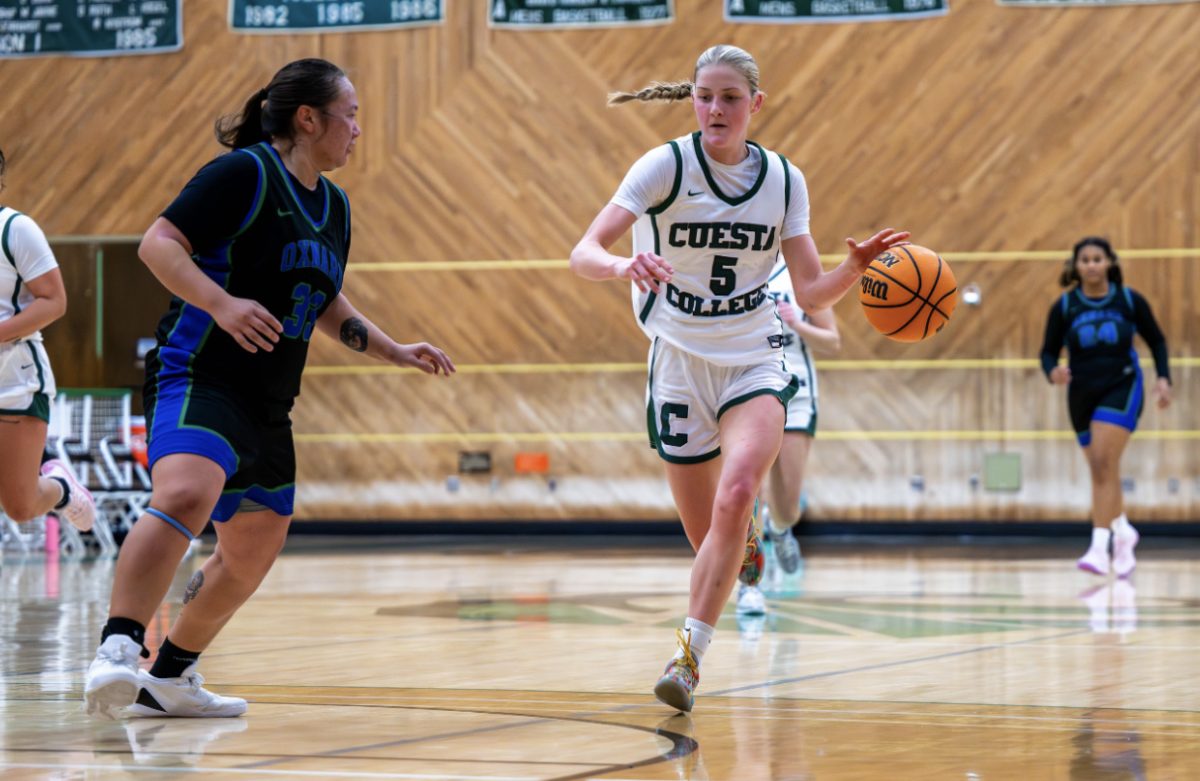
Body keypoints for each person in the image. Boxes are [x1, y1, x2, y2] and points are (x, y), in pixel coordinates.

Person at [83, 58, 455, 720]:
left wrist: (393, 348)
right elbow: (157, 243)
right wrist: (221, 303)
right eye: (352, 114)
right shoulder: (245, 173)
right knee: (185, 491)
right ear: (308, 119)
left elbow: (324, 295)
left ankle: (170, 678)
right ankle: (118, 647)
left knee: (254, 547)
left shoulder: (334, 206)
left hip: (269, 401)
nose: (358, 130)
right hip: (201, 371)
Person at [570, 44, 908, 712]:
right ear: (690, 99)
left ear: (755, 105)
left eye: (729, 98)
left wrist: (856, 269)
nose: (715, 109)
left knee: (739, 490)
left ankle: (687, 656)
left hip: (756, 353)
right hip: (677, 358)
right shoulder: (664, 165)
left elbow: (811, 288)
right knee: (711, 539)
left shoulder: (784, 181)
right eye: (704, 96)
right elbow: (584, 251)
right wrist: (620, 269)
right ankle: (743, 549)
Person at [1040, 237, 1170, 578]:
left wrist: (1163, 378)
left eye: (1098, 258)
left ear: (1110, 262)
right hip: (1081, 392)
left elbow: (1156, 339)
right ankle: (1124, 531)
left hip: (1121, 385)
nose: (1092, 265)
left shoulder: (1128, 299)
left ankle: (1100, 548)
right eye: (1085, 259)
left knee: (1101, 462)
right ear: (1076, 266)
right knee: (1103, 471)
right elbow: (1048, 351)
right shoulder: (1066, 306)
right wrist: (1051, 371)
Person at [0, 147, 95, 535]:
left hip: (15, 380)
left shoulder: (14, 229)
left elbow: (54, 301)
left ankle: (61, 489)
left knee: (20, 507)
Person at [756, 260, 840, 588]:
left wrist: (798, 324)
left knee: (787, 508)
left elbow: (832, 342)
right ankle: (751, 587)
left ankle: (779, 529)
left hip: (797, 392)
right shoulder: (736, 266)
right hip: (749, 386)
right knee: (749, 488)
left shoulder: (800, 273)